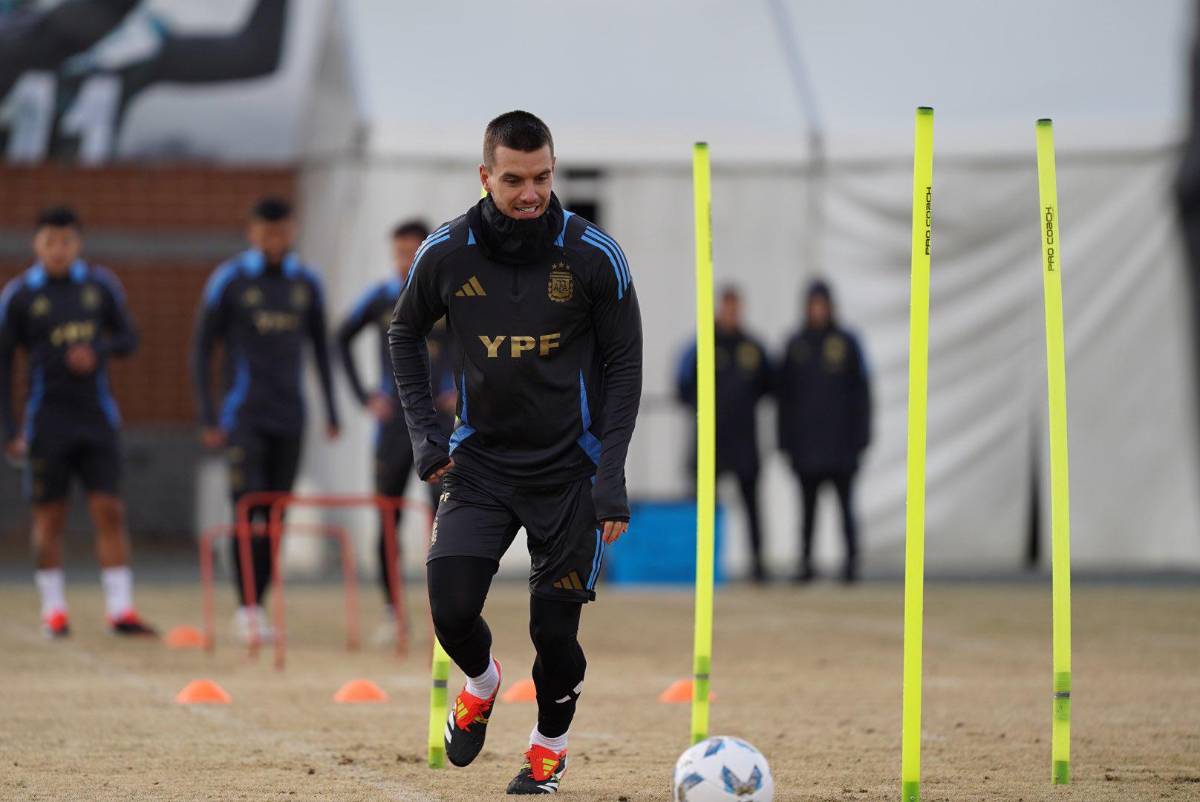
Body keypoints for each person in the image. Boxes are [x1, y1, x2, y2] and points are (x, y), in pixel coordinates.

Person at [389, 110, 642, 795]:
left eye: (542, 177)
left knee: (553, 634)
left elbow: (624, 368)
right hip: (480, 467)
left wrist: (611, 476)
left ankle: (547, 750)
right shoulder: (446, 252)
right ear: (485, 177)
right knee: (449, 608)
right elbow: (403, 335)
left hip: (571, 475)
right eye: (513, 180)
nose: (530, 193)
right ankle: (481, 682)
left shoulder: (595, 256)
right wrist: (424, 433)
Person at [0, 205, 155, 637]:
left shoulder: (99, 288)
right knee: (49, 517)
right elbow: (4, 364)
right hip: (47, 420)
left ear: (78, 244)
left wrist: (98, 352)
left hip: (96, 419)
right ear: (37, 245)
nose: (58, 250)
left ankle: (121, 609)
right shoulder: (20, 295)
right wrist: (11, 430)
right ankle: (54, 610)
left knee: (109, 510)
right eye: (50, 241)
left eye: (66, 241)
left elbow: (129, 338)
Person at [191, 197, 339, 642]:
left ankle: (261, 604)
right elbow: (201, 349)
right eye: (267, 232)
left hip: (289, 416)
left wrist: (331, 411)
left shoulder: (306, 282)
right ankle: (246, 607)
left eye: (282, 231)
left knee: (276, 514)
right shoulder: (230, 280)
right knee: (248, 507)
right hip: (244, 416)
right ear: (253, 233)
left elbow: (321, 348)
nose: (275, 240)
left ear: (292, 231)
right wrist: (208, 414)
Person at [335, 219, 454, 638]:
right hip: (393, 429)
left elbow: (478, 344)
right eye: (399, 251)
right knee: (388, 517)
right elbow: (340, 337)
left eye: (412, 251)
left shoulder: (448, 295)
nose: (405, 260)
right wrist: (364, 396)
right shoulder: (382, 297)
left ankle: (448, 614)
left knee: (446, 522)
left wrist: (458, 388)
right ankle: (392, 612)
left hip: (440, 428)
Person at [775, 280, 871, 583]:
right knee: (807, 511)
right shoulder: (795, 344)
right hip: (806, 447)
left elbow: (862, 394)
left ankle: (851, 564)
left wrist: (861, 438)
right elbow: (784, 400)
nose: (817, 310)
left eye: (822, 304)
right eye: (813, 304)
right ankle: (806, 564)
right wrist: (785, 442)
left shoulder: (847, 343)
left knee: (846, 509)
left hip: (842, 446)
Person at [675, 287, 772, 582]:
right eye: (727, 307)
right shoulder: (702, 344)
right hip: (710, 442)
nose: (731, 313)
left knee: (752, 505)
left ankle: (758, 565)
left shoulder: (752, 347)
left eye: (735, 308)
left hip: (744, 442)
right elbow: (682, 384)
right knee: (704, 507)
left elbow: (770, 384)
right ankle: (704, 566)